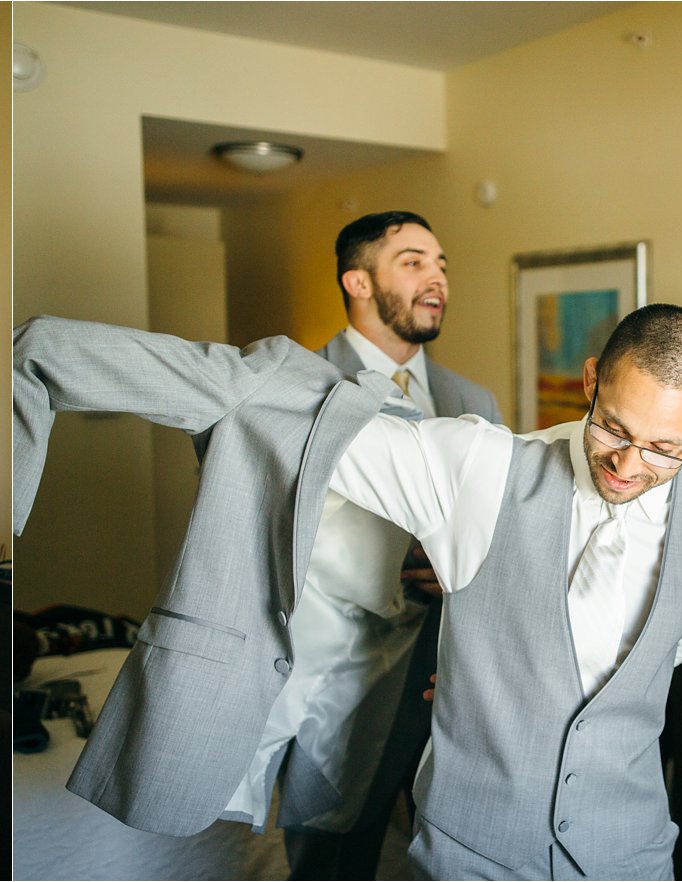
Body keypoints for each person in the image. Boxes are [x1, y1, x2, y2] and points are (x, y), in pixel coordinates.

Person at [12, 302, 682, 880]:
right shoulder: (479, 469)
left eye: (664, 447)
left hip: (632, 859)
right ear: (591, 381)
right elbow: (273, 407)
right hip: (471, 857)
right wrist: (50, 352)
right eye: (611, 427)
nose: (627, 462)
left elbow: (663, 661)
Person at [231, 211, 499, 880]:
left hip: (448, 677)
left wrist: (471, 567)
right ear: (357, 281)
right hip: (337, 671)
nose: (436, 278)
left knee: (453, 852)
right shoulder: (296, 388)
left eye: (441, 264)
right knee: (330, 853)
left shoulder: (476, 402)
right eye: (413, 262)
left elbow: (496, 526)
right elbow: (254, 520)